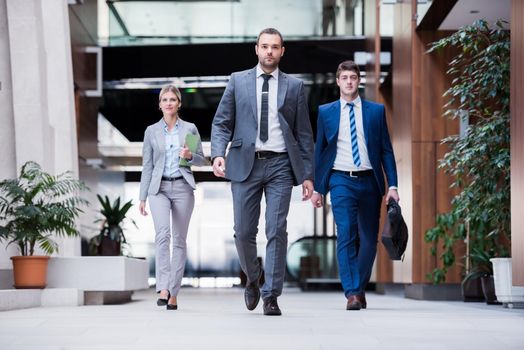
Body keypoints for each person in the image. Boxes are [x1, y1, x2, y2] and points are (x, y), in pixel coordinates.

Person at [211, 28, 314, 316]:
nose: (269, 51)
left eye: (275, 47)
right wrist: (218, 154)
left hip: (281, 164)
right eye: (265, 46)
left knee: (276, 229)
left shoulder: (294, 87)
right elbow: (221, 123)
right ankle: (253, 278)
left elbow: (304, 134)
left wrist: (307, 175)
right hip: (245, 163)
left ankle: (271, 295)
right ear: (256, 49)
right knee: (243, 232)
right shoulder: (237, 81)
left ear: (282, 51)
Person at [310, 60, 399, 310]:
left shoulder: (376, 111)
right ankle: (352, 293)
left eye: (353, 77)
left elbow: (386, 151)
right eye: (344, 77)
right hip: (340, 180)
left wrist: (393, 185)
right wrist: (319, 188)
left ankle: (358, 288)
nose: (349, 81)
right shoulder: (326, 112)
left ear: (359, 81)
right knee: (346, 233)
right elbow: (321, 152)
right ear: (338, 81)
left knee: (370, 240)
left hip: (369, 180)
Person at [139, 85, 204, 310]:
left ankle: (174, 292)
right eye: (164, 99)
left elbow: (200, 160)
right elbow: (147, 165)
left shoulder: (190, 129)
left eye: (172, 99)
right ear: (159, 104)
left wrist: (189, 155)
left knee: (179, 240)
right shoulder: (151, 132)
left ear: (179, 104)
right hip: (158, 189)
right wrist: (142, 197)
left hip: (183, 188)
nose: (168, 103)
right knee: (162, 236)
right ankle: (163, 288)